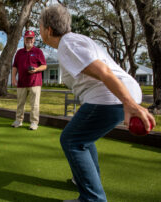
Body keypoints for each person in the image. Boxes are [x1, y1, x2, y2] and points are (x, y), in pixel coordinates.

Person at [39, 4, 155, 202]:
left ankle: (92, 198)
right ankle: (83, 180)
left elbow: (104, 72)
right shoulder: (74, 41)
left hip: (112, 97)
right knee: (84, 138)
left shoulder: (68, 44)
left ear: (48, 30)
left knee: (71, 140)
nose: (40, 30)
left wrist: (130, 104)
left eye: (40, 26)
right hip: (113, 95)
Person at [11, 30, 47, 130]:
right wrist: (13, 78)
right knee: (20, 104)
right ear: (24, 39)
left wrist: (36, 69)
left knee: (34, 105)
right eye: (27, 38)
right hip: (21, 83)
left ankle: (34, 123)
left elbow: (44, 66)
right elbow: (15, 67)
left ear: (34, 39)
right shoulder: (19, 52)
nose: (29, 40)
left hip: (35, 83)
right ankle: (18, 120)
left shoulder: (38, 51)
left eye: (31, 38)